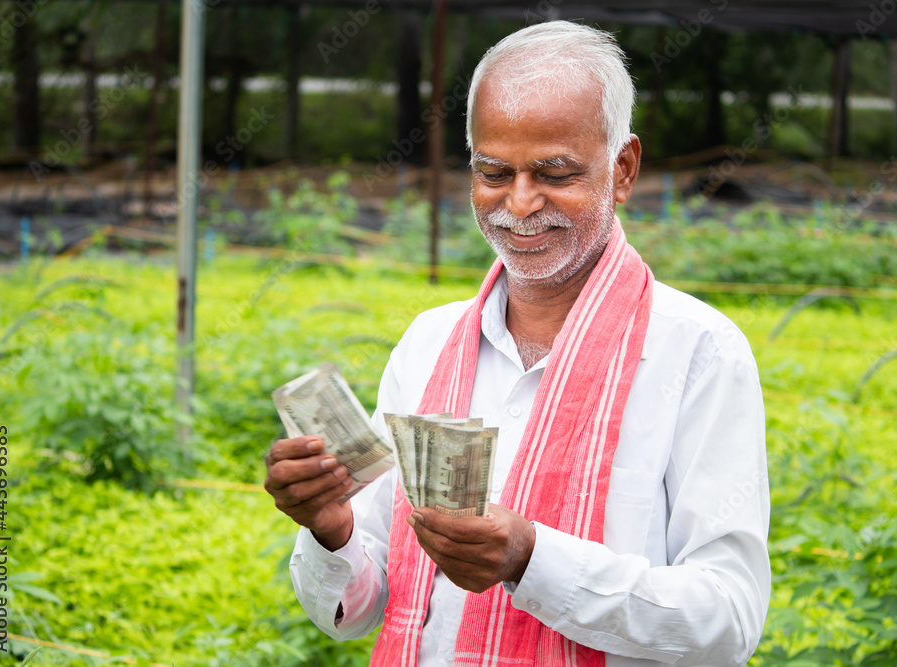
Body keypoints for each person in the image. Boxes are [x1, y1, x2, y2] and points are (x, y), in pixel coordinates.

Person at [264, 20, 770, 667]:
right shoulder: (430, 343)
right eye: (494, 171)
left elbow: (728, 617)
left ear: (622, 169)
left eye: (554, 173)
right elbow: (358, 609)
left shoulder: (697, 352)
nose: (520, 203)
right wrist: (331, 532)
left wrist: (534, 558)